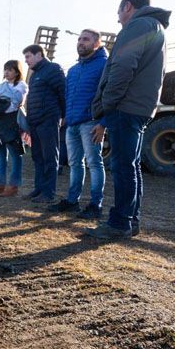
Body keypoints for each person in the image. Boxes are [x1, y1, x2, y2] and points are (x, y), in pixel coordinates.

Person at [87, 0, 170, 239]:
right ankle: (130, 221)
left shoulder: (138, 25)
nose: (118, 20)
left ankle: (119, 223)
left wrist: (109, 102)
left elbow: (123, 65)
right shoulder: (155, 27)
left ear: (128, 7)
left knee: (123, 166)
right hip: (140, 106)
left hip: (126, 106)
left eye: (119, 13)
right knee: (130, 166)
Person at [48, 29, 108, 218]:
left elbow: (109, 94)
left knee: (94, 163)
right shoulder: (73, 70)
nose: (81, 42)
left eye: (86, 39)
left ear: (97, 44)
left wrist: (103, 122)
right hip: (72, 124)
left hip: (91, 122)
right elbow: (67, 95)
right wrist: (65, 117)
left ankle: (95, 205)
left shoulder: (105, 65)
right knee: (74, 163)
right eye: (79, 39)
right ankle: (72, 201)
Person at [23, 44, 66, 203]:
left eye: (28, 56)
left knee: (49, 157)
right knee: (37, 157)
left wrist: (64, 115)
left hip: (49, 119)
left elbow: (63, 93)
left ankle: (48, 193)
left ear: (39, 54)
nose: (26, 60)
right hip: (35, 121)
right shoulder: (34, 75)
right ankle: (39, 188)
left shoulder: (54, 69)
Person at [0, 60, 28, 197]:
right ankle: (0, 184)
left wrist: (0, 105)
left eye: (10, 70)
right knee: (0, 155)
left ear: (17, 71)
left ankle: (13, 186)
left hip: (12, 122)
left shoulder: (21, 85)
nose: (6, 72)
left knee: (15, 155)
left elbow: (15, 103)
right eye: (5, 69)